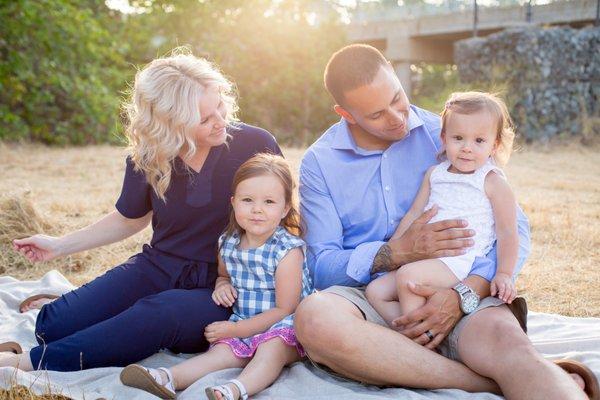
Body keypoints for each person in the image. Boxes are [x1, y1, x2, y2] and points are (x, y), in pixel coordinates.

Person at [294, 44, 597, 399]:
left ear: (394, 72)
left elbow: (513, 230)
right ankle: (482, 381)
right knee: (314, 319)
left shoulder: (455, 133)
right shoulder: (320, 162)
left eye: (397, 97)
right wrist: (394, 254)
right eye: (376, 114)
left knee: (508, 345)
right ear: (345, 113)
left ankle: (510, 371)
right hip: (373, 299)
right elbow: (322, 265)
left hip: (461, 283)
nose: (396, 117)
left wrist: (464, 293)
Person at [0, 49, 282, 372]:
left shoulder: (255, 144)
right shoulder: (150, 153)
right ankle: (83, 317)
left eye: (219, 104)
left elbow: (284, 218)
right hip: (158, 266)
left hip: (226, 287)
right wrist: (58, 245)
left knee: (156, 314)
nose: (221, 121)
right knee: (49, 326)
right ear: (169, 124)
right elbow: (129, 218)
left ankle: (27, 362)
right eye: (204, 118)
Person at [120, 153, 312, 400]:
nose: (257, 209)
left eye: (269, 202)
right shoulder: (228, 242)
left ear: (285, 208)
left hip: (287, 326)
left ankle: (235, 390)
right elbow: (223, 275)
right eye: (247, 200)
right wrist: (222, 285)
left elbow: (285, 309)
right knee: (220, 353)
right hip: (244, 320)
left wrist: (236, 329)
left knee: (269, 350)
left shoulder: (287, 251)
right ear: (233, 202)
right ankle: (168, 378)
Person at [366, 91, 519, 328]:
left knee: (409, 278)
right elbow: (414, 214)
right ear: (444, 138)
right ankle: (413, 328)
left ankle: (419, 339)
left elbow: (508, 231)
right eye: (458, 138)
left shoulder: (491, 181)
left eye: (479, 141)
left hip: (461, 260)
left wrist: (504, 274)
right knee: (376, 291)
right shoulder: (435, 174)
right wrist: (396, 247)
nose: (467, 148)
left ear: (494, 145)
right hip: (425, 256)